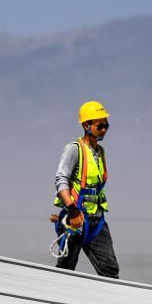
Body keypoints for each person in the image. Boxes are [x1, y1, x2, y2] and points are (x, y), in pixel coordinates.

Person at [52, 101, 119, 277]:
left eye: (106, 125)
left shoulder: (100, 152)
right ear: (86, 125)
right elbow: (61, 180)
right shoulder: (74, 149)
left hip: (97, 221)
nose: (104, 129)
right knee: (66, 269)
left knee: (110, 271)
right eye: (100, 125)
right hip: (76, 220)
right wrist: (73, 211)